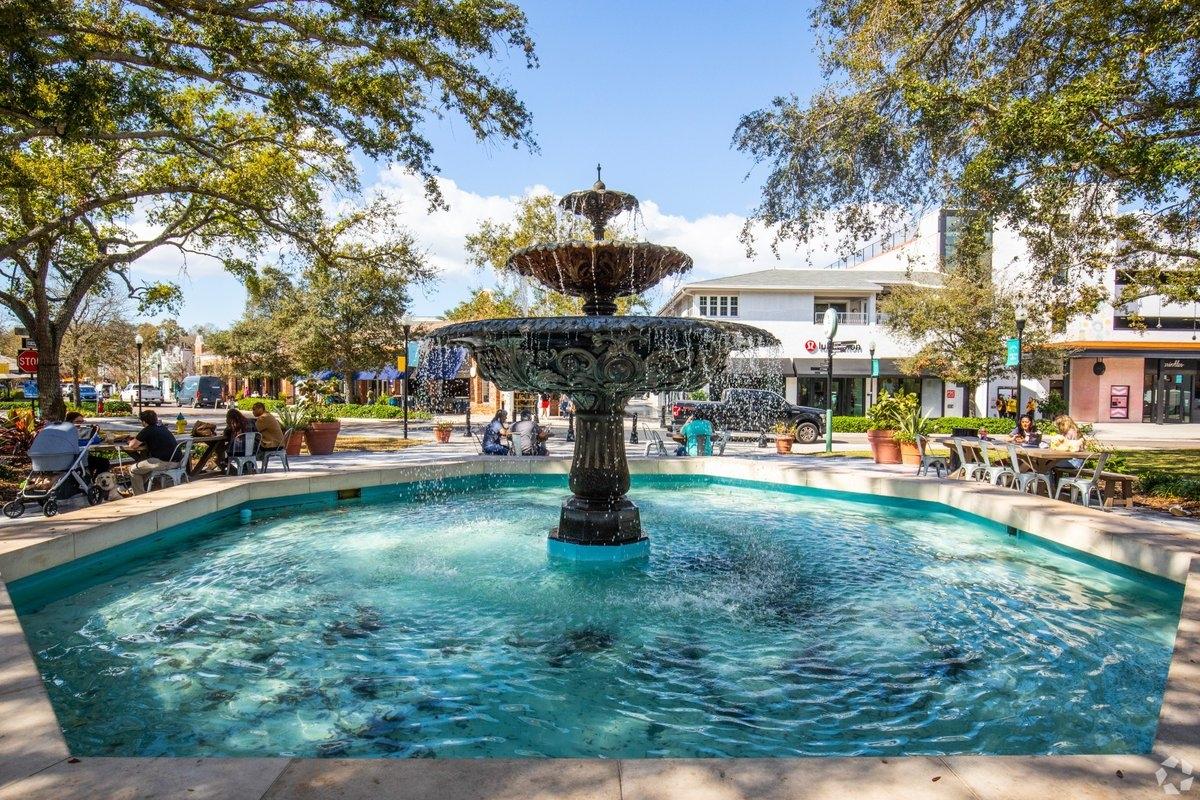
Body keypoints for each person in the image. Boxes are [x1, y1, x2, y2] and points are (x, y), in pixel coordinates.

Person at [126, 410, 179, 494]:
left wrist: (129, 441)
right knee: (144, 466)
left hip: (163, 463)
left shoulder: (147, 430)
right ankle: (137, 489)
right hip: (177, 461)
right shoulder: (163, 428)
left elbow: (133, 445)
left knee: (133, 469)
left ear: (143, 422)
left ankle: (139, 495)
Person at [65, 410, 109, 476]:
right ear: (70, 422)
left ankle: (93, 480)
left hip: (79, 458)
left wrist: (93, 432)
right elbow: (92, 441)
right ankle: (93, 481)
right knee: (103, 463)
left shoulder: (80, 431)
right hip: (73, 460)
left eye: (82, 422)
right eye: (78, 422)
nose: (81, 424)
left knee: (99, 462)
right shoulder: (69, 432)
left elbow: (94, 440)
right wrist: (92, 434)